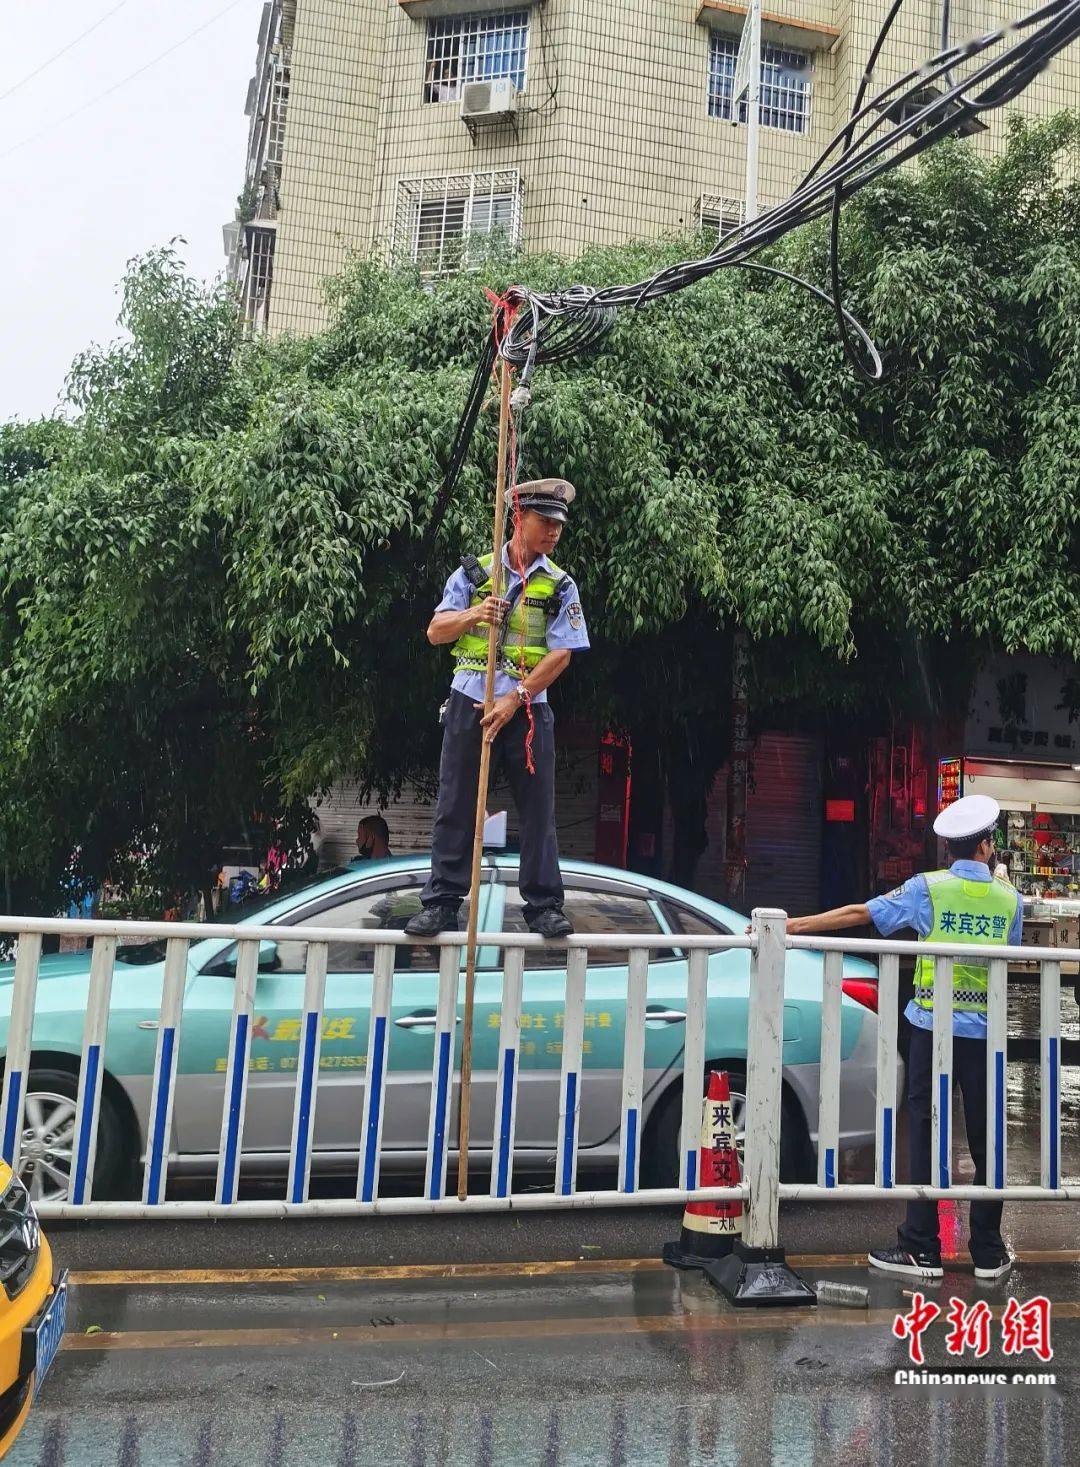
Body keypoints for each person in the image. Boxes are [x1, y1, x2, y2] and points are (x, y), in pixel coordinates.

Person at [786, 793, 1021, 1282]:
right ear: (986, 847)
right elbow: (1011, 957)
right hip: (986, 1036)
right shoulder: (1009, 900)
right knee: (987, 1138)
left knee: (926, 1131)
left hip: (931, 1029)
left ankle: (921, 1247)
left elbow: (861, 913)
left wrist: (795, 926)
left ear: (952, 849)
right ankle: (989, 1251)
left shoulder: (927, 889)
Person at [405, 479, 589, 939]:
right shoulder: (474, 574)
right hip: (470, 698)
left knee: (538, 810)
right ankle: (443, 902)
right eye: (545, 522)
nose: (553, 532)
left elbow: (562, 654)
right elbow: (435, 631)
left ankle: (544, 905)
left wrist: (515, 698)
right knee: (455, 803)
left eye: (558, 525)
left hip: (527, 707)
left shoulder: (560, 584)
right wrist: (475, 614)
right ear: (517, 520)